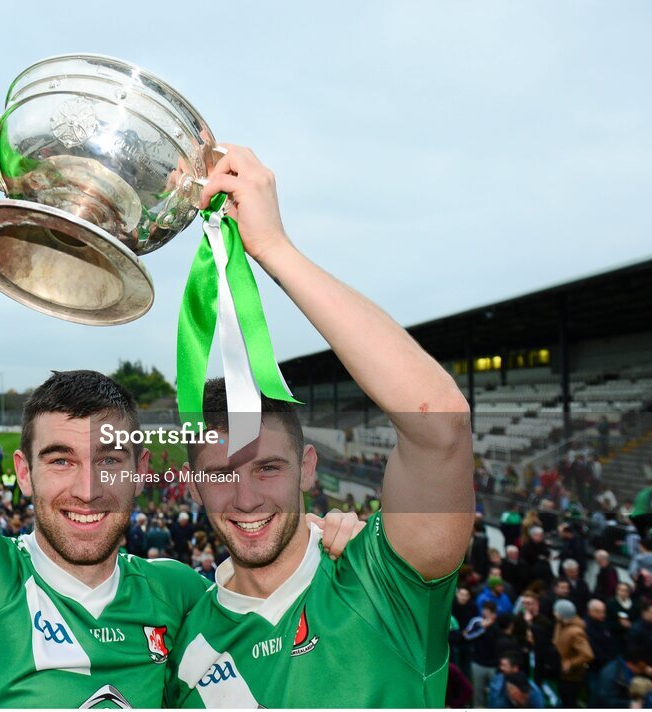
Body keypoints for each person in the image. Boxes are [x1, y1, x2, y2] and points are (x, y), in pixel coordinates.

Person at [0, 116, 365, 708]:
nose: (88, 488)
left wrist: (321, 539)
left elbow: (268, 590)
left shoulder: (180, 593)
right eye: (60, 460)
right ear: (24, 471)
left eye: (108, 460)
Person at [160, 138, 472, 704]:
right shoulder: (182, 646)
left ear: (307, 467)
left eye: (269, 467)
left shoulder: (379, 580)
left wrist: (275, 248)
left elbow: (439, 423)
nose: (247, 498)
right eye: (221, 474)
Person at [553, 598, 594, 708]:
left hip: (571, 678)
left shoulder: (575, 632)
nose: (554, 613)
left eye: (556, 611)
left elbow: (587, 654)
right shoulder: (560, 625)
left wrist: (570, 663)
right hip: (561, 674)